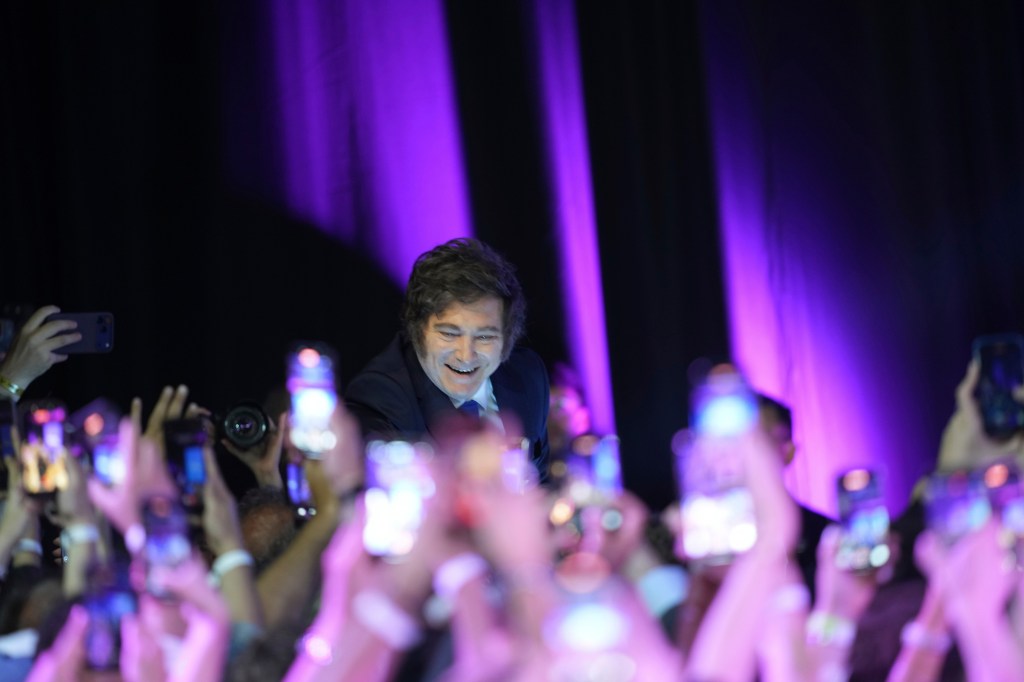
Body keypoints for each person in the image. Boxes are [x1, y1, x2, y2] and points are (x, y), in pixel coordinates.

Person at [345, 238, 550, 475]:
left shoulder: (529, 376)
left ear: (507, 339)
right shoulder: (380, 400)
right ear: (418, 331)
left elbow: (540, 484)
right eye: (449, 334)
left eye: (485, 337)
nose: (466, 355)